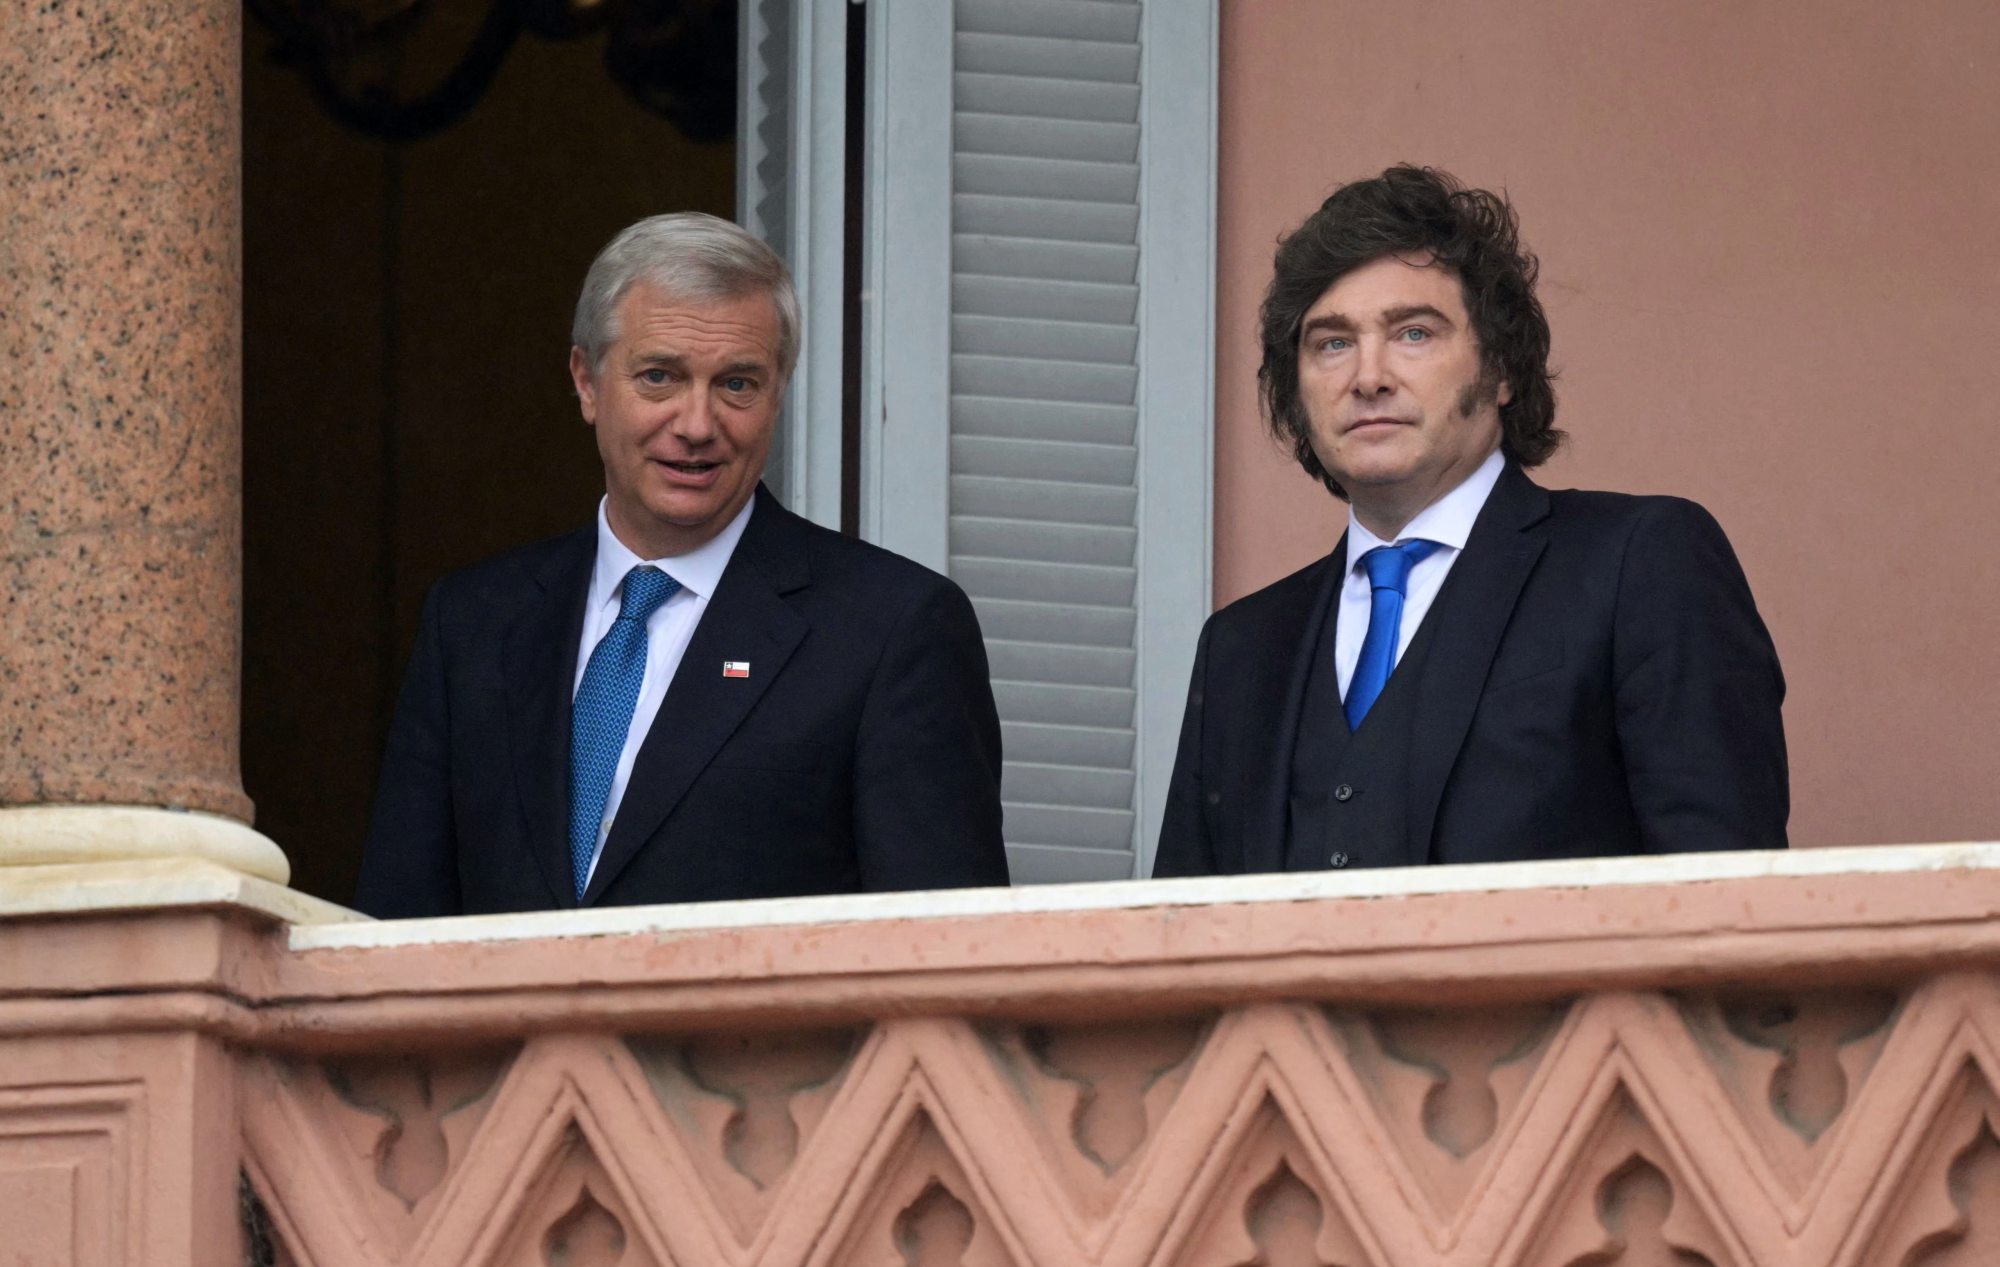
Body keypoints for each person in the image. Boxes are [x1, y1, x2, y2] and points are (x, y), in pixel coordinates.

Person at [357, 213, 1009, 916]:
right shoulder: (474, 624)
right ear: (586, 382)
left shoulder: (891, 631)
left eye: (736, 384)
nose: (697, 425)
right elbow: (393, 931)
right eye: (660, 376)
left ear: (778, 393)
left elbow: (946, 961)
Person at [1154, 166, 1787, 878]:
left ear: (1502, 369)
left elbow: (1730, 905)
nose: (1368, 376)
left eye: (1414, 333)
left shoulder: (1641, 563)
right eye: (1332, 343)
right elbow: (1175, 949)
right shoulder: (1241, 650)